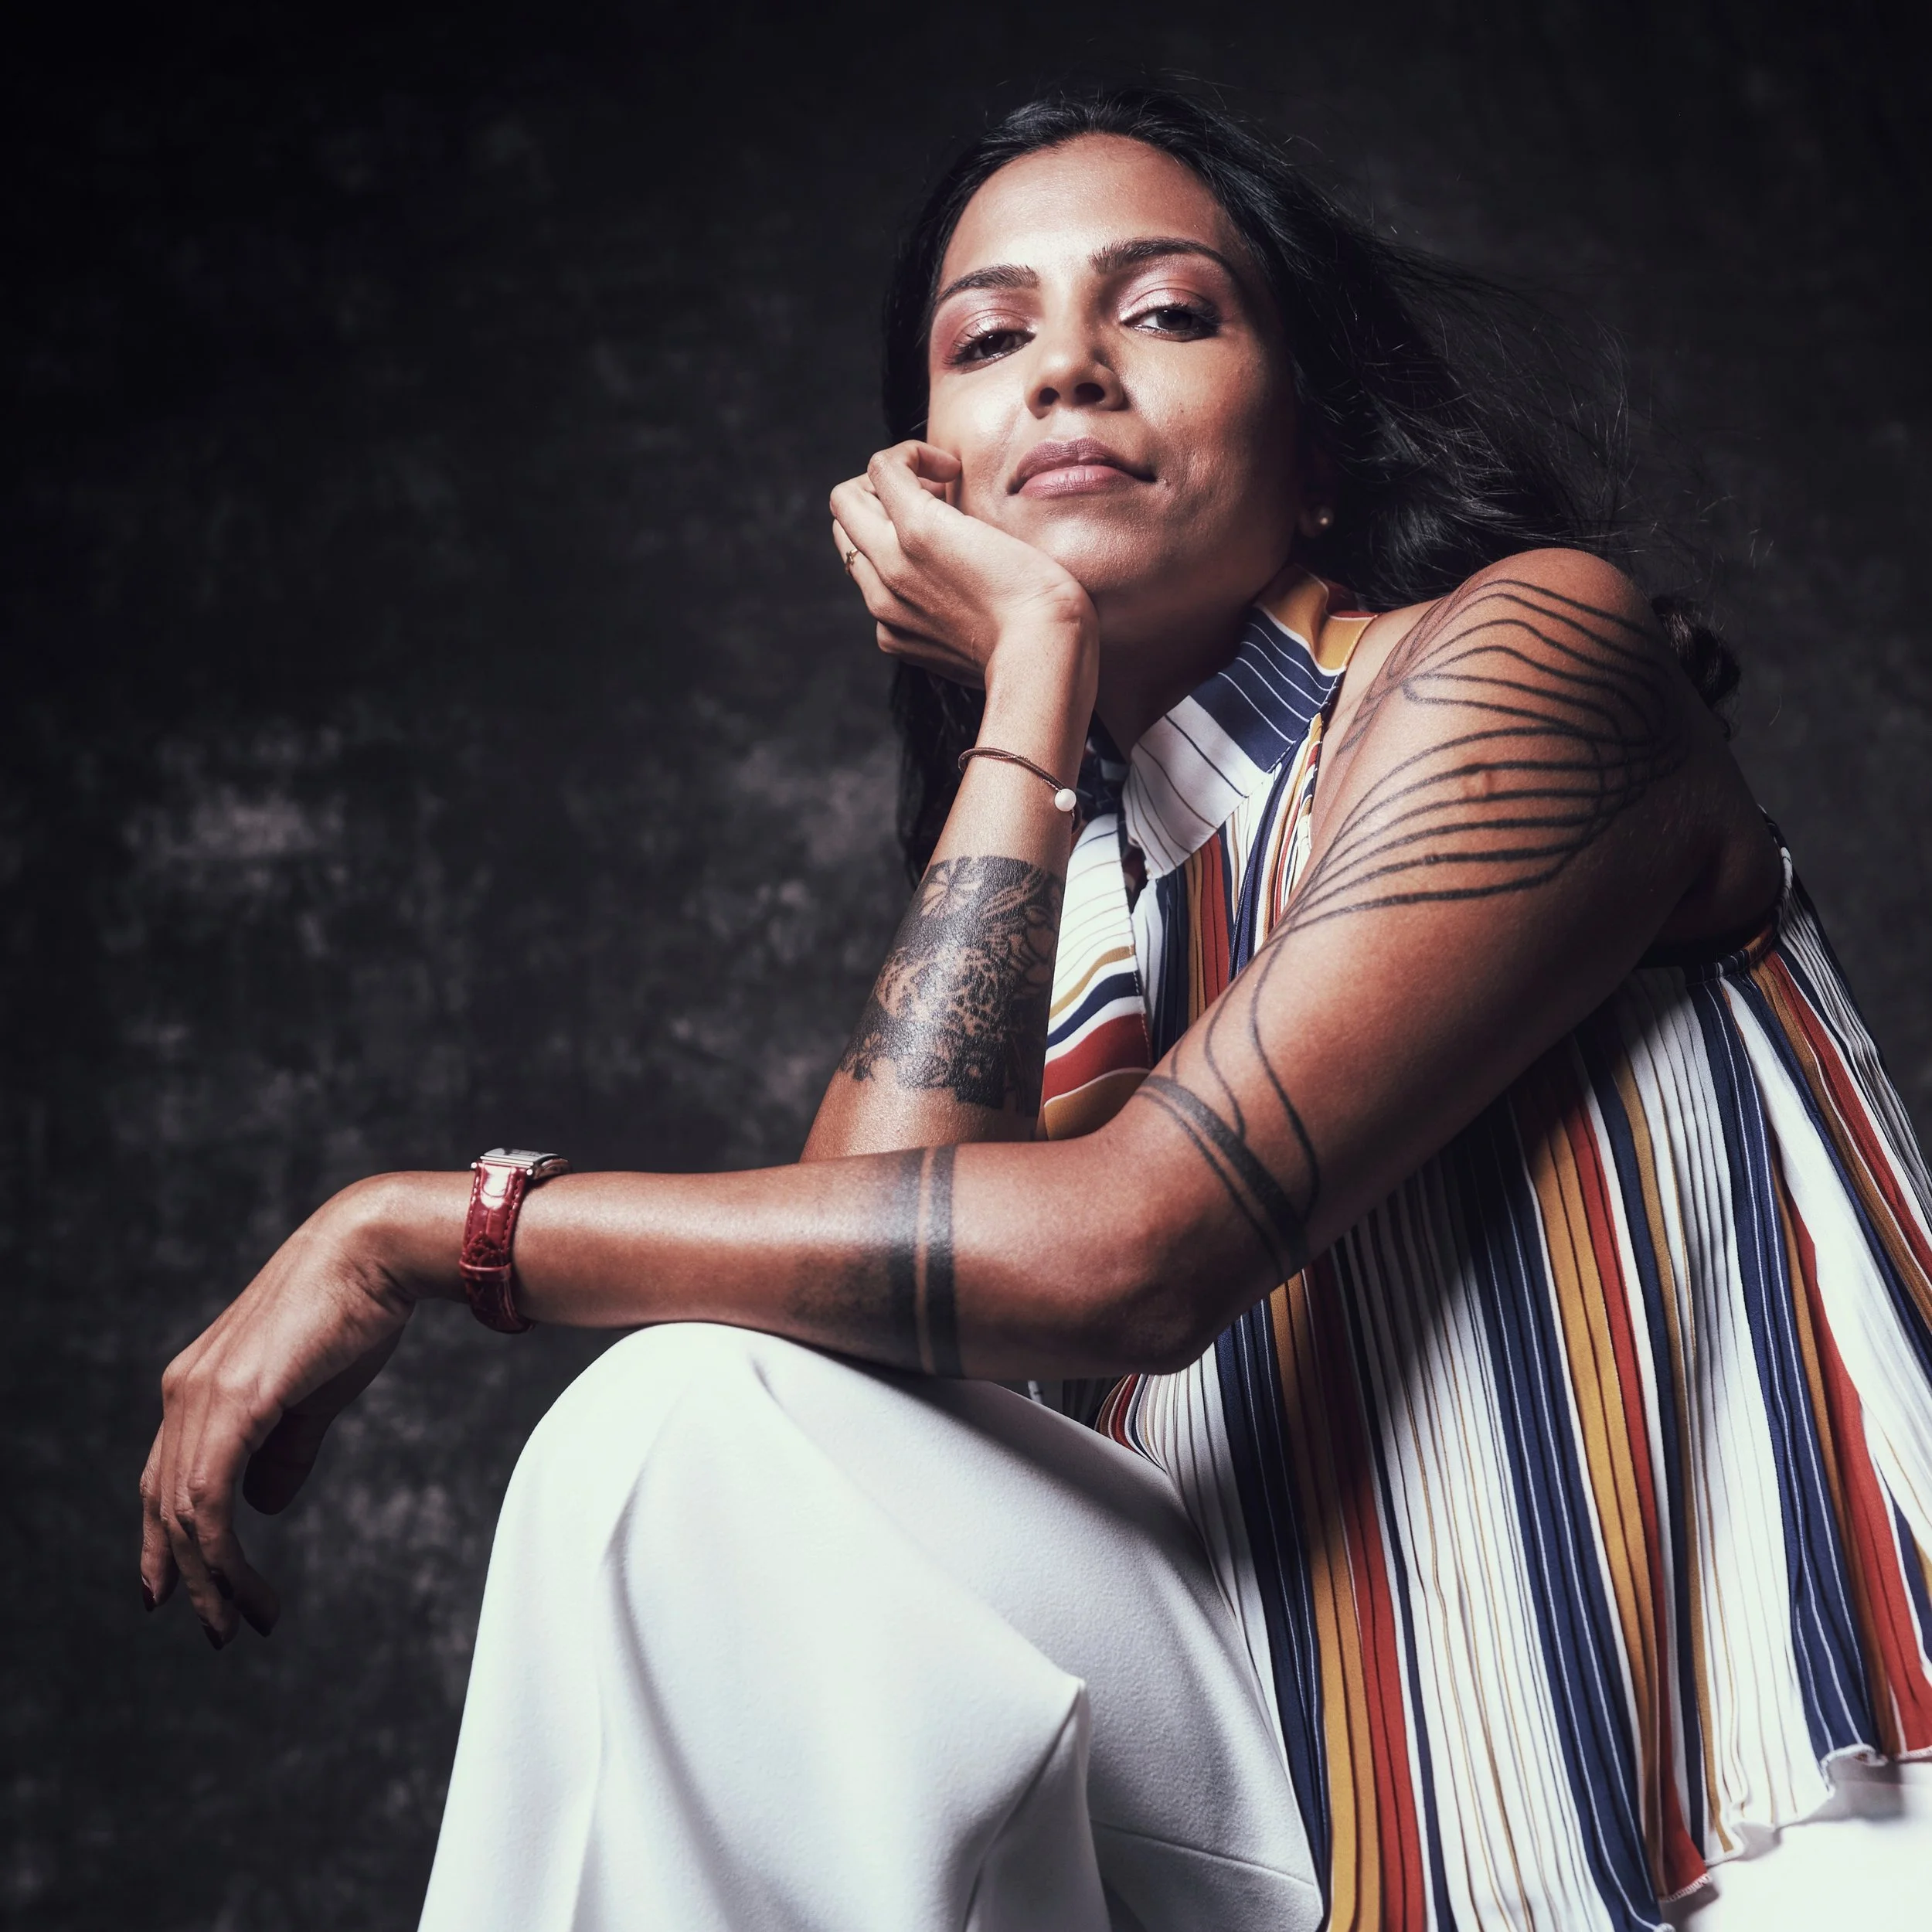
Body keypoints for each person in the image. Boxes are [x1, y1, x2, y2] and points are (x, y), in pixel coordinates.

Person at [138, 88, 1932, 1932]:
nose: (1065, 370)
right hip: (1334, 1851)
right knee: (686, 1428)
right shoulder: (1075, 899)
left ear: (1313, 449)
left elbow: (1138, 1246)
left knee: (688, 1400)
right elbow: (841, 1384)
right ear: (923, 480)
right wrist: (1035, 697)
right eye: (987, 343)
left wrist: (425, 1226)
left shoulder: (1537, 652)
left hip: (1800, 1802)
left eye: (1162, 312)